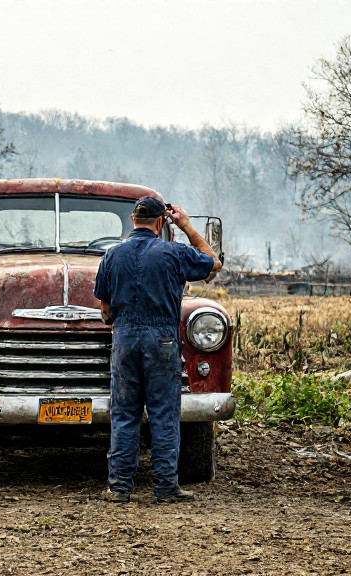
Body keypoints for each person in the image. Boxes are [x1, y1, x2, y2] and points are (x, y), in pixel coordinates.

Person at [93, 196, 222, 504]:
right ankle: (165, 488)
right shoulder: (174, 253)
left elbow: (105, 309)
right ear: (160, 222)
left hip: (124, 340)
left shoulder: (111, 256)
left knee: (124, 414)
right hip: (162, 340)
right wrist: (187, 225)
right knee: (164, 414)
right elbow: (213, 262)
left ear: (133, 220)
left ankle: (119, 488)